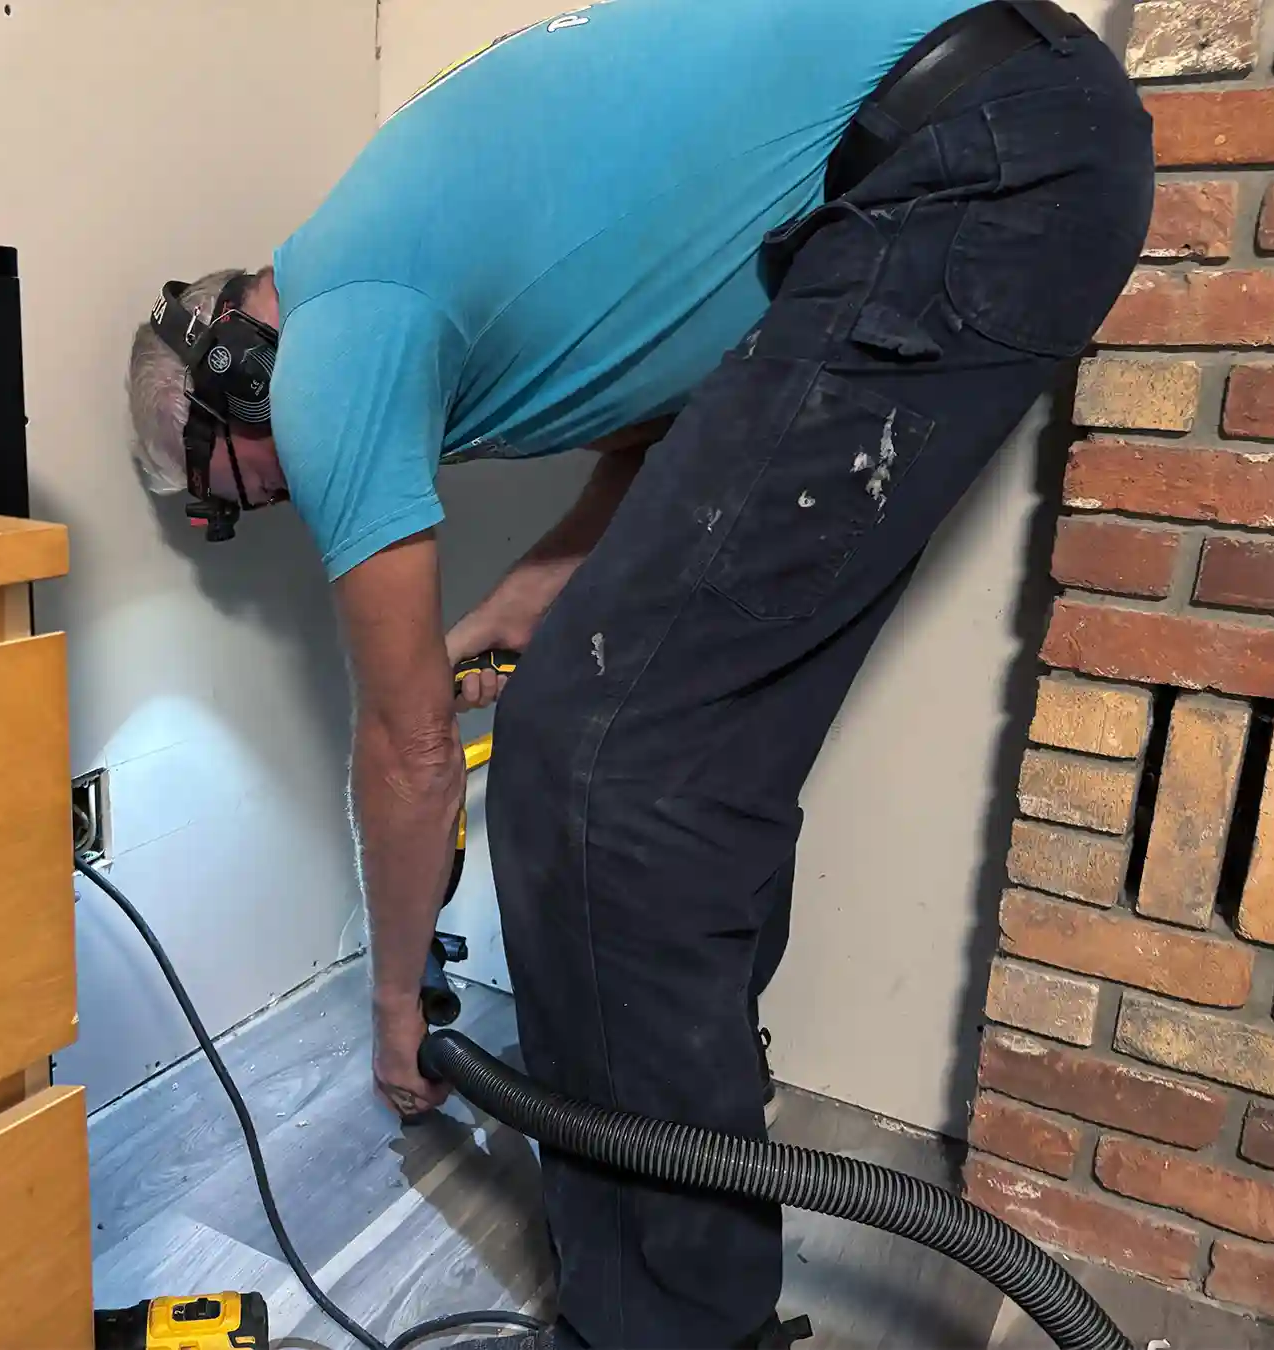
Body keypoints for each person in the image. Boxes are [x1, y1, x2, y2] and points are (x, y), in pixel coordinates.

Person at [125, 1, 1153, 1345]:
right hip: (990, 150)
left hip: (966, 158)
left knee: (598, 770)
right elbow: (680, 433)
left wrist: (392, 1005)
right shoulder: (433, 268)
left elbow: (409, 747)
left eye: (230, 484)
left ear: (235, 375)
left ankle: (669, 1325)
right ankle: (698, 1154)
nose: (263, 502)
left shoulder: (328, 342)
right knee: (670, 752)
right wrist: (521, 602)